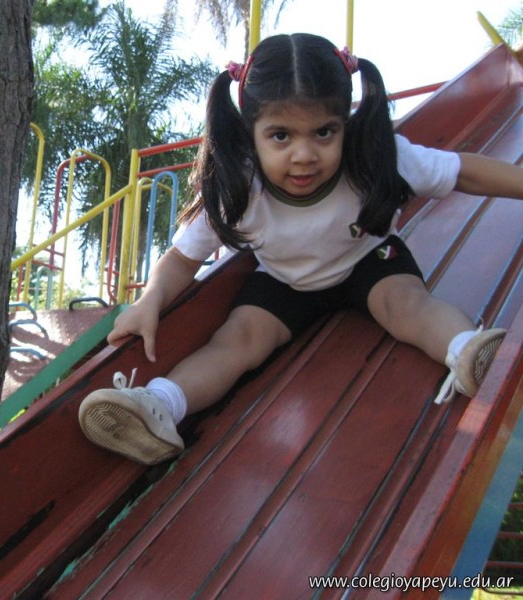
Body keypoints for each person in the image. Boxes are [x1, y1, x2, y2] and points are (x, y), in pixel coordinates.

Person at [78, 33, 523, 466]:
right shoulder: (239, 187)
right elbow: (182, 257)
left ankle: (469, 352)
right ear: (250, 133)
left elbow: (462, 171)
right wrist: (151, 300)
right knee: (238, 340)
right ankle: (159, 405)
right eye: (281, 136)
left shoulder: (374, 155)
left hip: (367, 259)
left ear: (346, 124)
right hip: (283, 279)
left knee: (406, 304)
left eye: (324, 132)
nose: (304, 154)